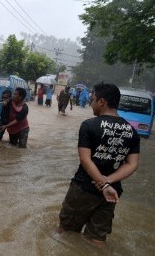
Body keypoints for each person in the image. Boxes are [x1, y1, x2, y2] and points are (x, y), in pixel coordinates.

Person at [58, 82, 140, 247]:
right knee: (97, 239)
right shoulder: (132, 131)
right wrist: (108, 181)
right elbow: (132, 164)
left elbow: (85, 159)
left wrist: (102, 185)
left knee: (66, 232)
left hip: (84, 188)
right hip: (112, 193)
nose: (91, 103)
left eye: (93, 99)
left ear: (102, 101)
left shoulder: (89, 125)